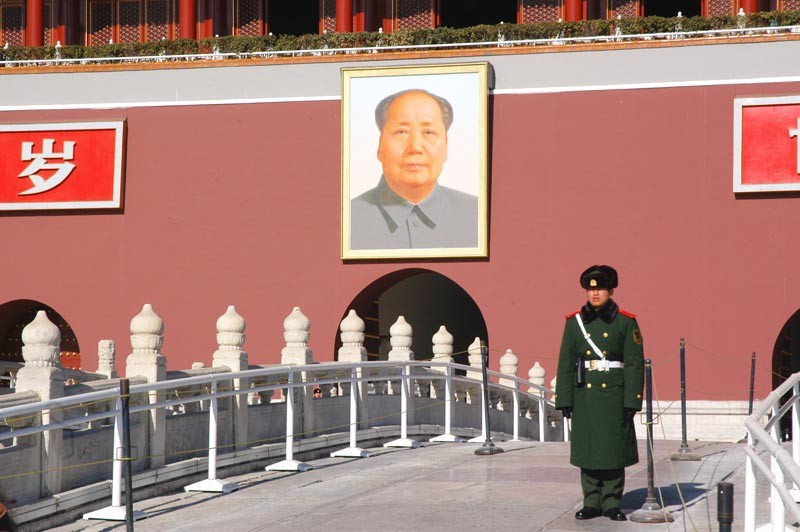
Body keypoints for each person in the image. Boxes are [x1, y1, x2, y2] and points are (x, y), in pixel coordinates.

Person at [555, 265, 644, 522]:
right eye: (590, 290)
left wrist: (632, 400)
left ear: (611, 291)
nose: (595, 294)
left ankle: (613, 501)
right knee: (589, 448)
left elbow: (635, 363)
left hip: (614, 394)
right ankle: (591, 500)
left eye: (600, 289)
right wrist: (565, 399)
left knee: (612, 449)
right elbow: (565, 363)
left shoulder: (626, 321)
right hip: (586, 394)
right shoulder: (574, 324)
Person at [350, 89, 478, 250]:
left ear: (446, 146)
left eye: (428, 132)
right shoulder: (347, 220)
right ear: (380, 146)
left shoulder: (476, 215)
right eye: (401, 132)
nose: (415, 147)